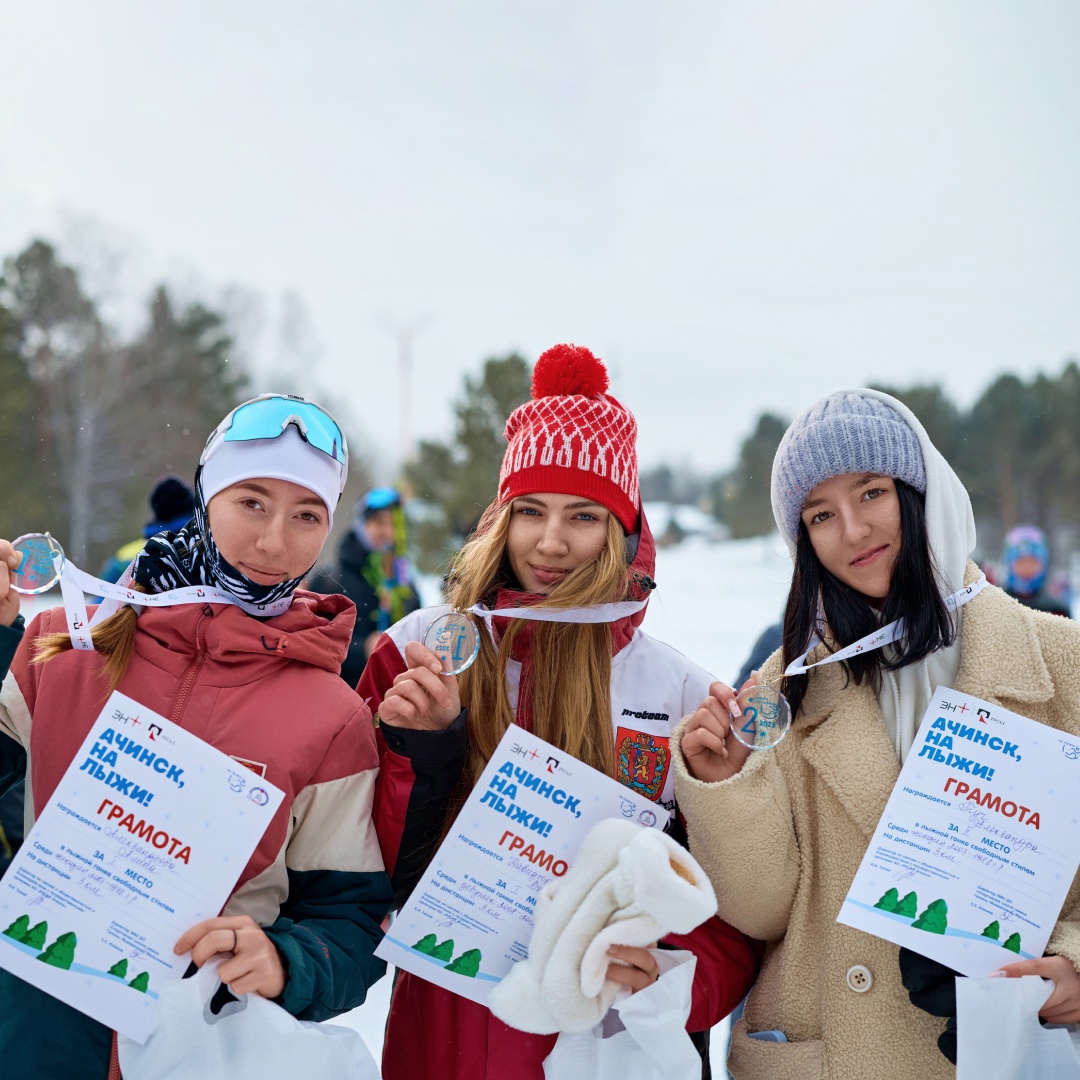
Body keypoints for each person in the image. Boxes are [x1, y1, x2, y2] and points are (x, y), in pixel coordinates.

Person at [359, 344, 761, 1080]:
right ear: (500, 518)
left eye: (583, 515)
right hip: (447, 1036)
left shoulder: (677, 695)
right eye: (531, 512)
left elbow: (735, 915)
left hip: (608, 1050)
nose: (550, 542)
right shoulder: (421, 652)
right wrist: (420, 749)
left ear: (622, 529)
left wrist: (675, 979)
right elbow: (355, 873)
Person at [671, 389, 1080, 1080]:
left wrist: (1073, 959)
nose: (853, 531)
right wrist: (726, 786)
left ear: (923, 493)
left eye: (872, 493)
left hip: (1011, 1048)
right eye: (821, 515)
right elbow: (763, 913)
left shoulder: (1062, 665)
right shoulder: (784, 691)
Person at [0, 393, 392, 1079]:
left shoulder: (333, 717)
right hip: (30, 1041)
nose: (274, 541)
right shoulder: (59, 646)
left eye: (307, 516)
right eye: (252, 502)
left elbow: (349, 919)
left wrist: (285, 962)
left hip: (200, 1054)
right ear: (207, 493)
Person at [309, 487, 422, 684]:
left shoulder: (404, 583)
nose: (387, 531)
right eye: (378, 522)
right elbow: (310, 643)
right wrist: (363, 648)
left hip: (390, 700)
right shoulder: (330, 578)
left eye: (393, 524)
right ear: (361, 525)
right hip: (339, 695)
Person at [98, 475, 196, 583]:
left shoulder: (124, 557)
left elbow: (102, 599)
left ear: (155, 509)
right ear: (193, 507)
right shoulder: (207, 548)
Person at [1001, 524, 1071, 616]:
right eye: (1020, 562)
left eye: (1032, 562)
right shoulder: (997, 604)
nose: (1026, 568)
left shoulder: (1057, 610)